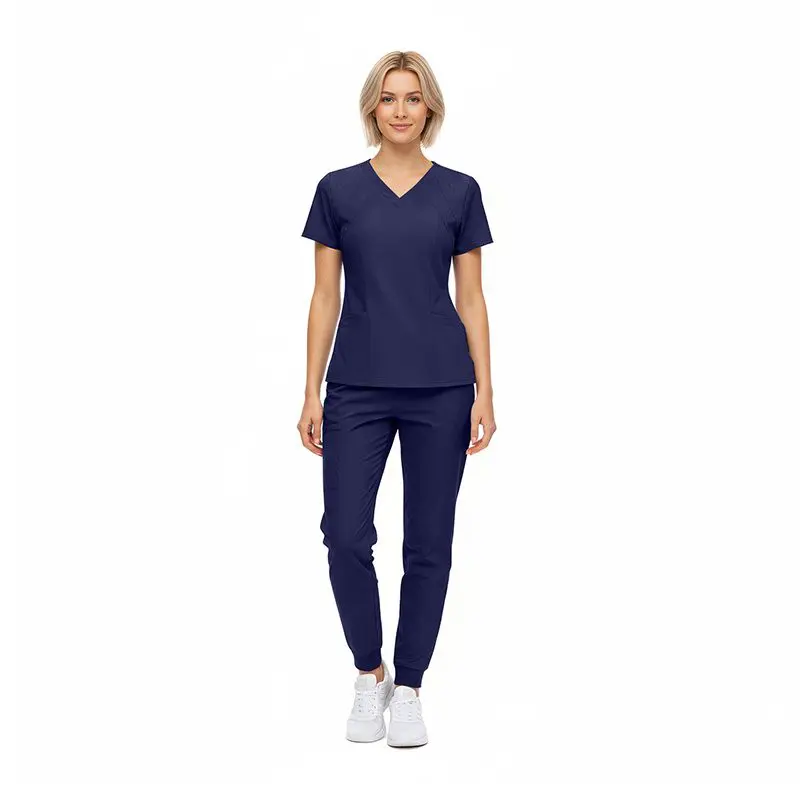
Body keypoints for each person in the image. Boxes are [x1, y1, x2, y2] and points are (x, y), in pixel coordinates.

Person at [297, 51, 497, 747]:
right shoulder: (338, 191)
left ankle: (409, 685)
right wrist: (310, 389)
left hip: (443, 386)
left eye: (413, 98)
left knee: (429, 543)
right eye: (389, 98)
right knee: (345, 536)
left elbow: (472, 298)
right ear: (372, 108)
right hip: (356, 386)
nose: (402, 110)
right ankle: (369, 672)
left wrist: (486, 389)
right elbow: (325, 296)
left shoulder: (460, 192)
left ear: (430, 107)